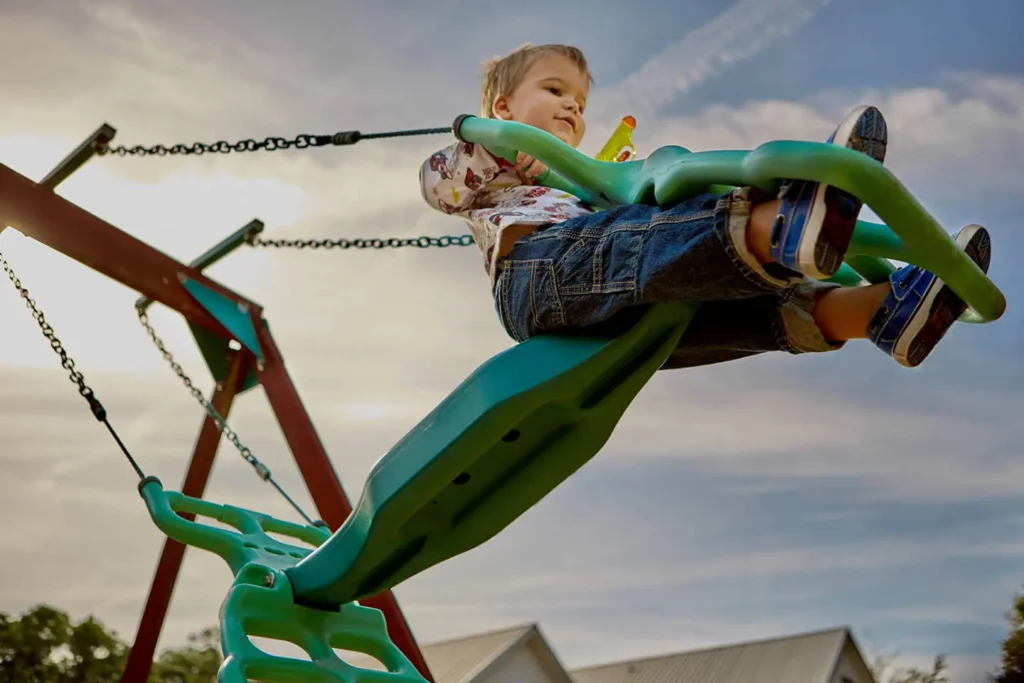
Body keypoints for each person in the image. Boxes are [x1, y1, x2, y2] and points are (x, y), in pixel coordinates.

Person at [419, 43, 991, 369]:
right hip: (536, 281)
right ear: (501, 107)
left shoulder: (581, 180)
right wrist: (491, 141)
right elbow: (437, 184)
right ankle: (777, 226)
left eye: (579, 101)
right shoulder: (485, 166)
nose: (570, 107)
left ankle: (878, 311)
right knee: (645, 234)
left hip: (608, 317)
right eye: (554, 91)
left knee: (711, 312)